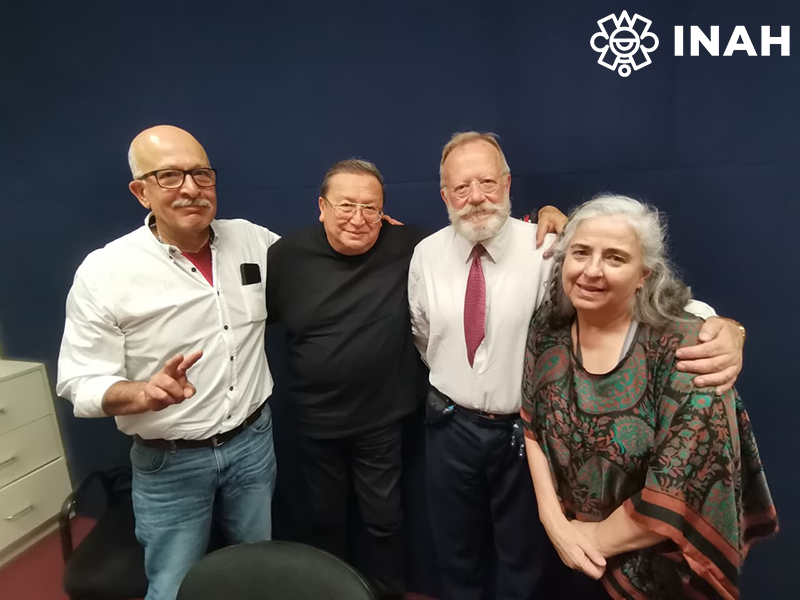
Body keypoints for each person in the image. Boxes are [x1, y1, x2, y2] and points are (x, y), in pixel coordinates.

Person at [407, 132, 748, 600]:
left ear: (507, 184)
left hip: (523, 437)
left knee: (523, 560)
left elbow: (632, 293)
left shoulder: (551, 246)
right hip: (450, 427)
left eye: (487, 182)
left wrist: (724, 326)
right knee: (454, 550)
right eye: (461, 187)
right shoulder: (426, 254)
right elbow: (423, 333)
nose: (476, 197)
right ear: (445, 195)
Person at [57, 125, 278, 600]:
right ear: (141, 192)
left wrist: (371, 228)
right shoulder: (105, 271)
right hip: (170, 461)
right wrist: (140, 393)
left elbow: (316, 260)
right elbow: (79, 380)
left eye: (201, 174)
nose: (191, 188)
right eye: (169, 176)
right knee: (174, 585)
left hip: (253, 444)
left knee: (257, 567)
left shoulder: (253, 240)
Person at [520, 194, 777, 599]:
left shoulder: (690, 353)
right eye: (581, 253)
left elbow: (680, 488)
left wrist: (592, 540)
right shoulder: (547, 329)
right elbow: (532, 424)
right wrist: (553, 522)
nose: (591, 270)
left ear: (644, 274)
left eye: (615, 258)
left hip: (659, 570)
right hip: (570, 549)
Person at [266, 159, 425, 597]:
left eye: (370, 208)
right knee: (323, 520)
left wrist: (549, 214)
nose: (358, 218)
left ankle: (386, 593)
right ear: (321, 207)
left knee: (384, 520)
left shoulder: (409, 244)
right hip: (314, 421)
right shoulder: (285, 255)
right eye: (346, 205)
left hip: (382, 418)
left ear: (383, 212)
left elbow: (474, 236)